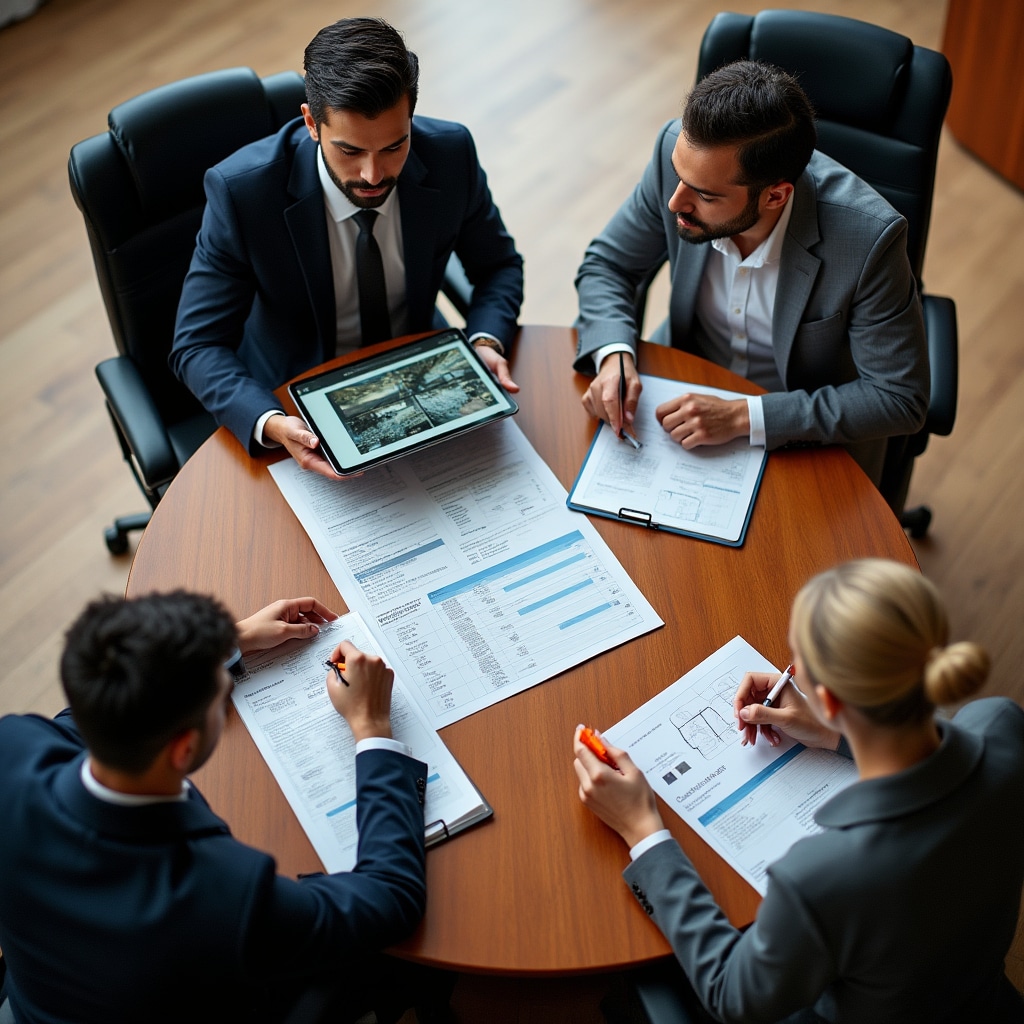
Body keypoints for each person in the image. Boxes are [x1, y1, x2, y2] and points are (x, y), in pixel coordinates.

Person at [574, 559, 1024, 1023]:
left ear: (827, 698)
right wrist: (833, 734)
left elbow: (732, 995)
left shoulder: (822, 878)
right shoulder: (1002, 725)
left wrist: (643, 830)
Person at [0, 592, 450, 1024]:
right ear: (184, 748)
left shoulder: (13, 747)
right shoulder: (221, 893)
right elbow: (391, 899)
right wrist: (372, 726)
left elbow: (77, 722)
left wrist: (228, 640)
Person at [170, 17, 524, 479]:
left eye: (395, 147)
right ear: (311, 124)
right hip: (298, 397)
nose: (374, 175)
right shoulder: (243, 195)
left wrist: (483, 339)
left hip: (418, 373)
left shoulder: (451, 154)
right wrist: (272, 423)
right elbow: (196, 344)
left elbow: (498, 265)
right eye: (351, 151)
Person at [574, 60, 929, 487]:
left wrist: (744, 416)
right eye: (679, 176)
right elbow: (608, 264)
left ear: (775, 196)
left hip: (803, 434)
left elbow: (898, 397)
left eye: (704, 195)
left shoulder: (869, 240)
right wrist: (614, 354)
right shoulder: (681, 162)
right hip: (679, 394)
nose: (675, 203)